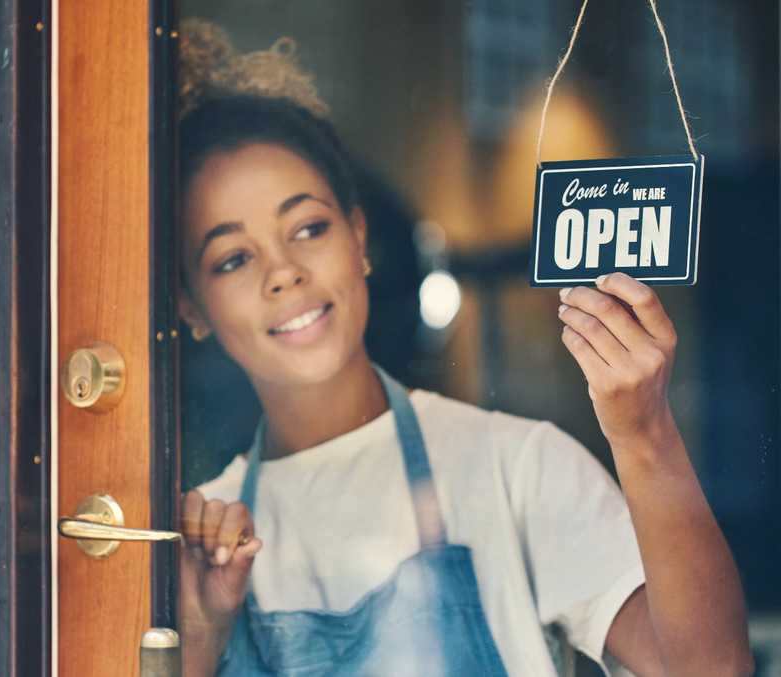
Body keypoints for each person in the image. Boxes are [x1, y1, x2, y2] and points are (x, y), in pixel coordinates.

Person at [175, 20, 752, 677]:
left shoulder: (515, 467)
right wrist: (196, 638)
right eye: (230, 259)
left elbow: (714, 670)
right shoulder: (199, 547)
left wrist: (645, 430)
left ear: (359, 238)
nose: (283, 272)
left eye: (308, 226)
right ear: (190, 306)